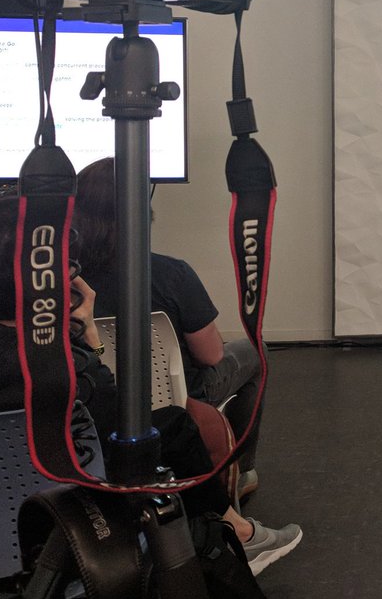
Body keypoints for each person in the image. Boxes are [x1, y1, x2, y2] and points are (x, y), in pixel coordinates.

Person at [0, 196, 301, 576]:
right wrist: (88, 336)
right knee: (174, 425)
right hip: (82, 538)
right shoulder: (68, 369)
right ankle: (239, 533)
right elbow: (126, 409)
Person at [74, 156, 266, 500]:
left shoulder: (63, 283)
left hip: (95, 400)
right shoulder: (173, 274)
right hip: (178, 396)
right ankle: (242, 469)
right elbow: (211, 356)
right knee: (256, 352)